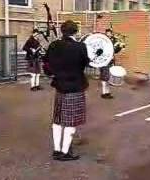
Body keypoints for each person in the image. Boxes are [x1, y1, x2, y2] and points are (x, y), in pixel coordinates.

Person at [47, 20, 90, 161]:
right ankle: (66, 152)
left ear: (62, 31)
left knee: (58, 120)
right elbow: (85, 64)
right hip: (75, 87)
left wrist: (55, 73)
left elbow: (47, 64)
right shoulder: (80, 46)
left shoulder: (53, 45)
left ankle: (57, 150)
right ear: (75, 31)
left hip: (60, 87)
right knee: (70, 122)